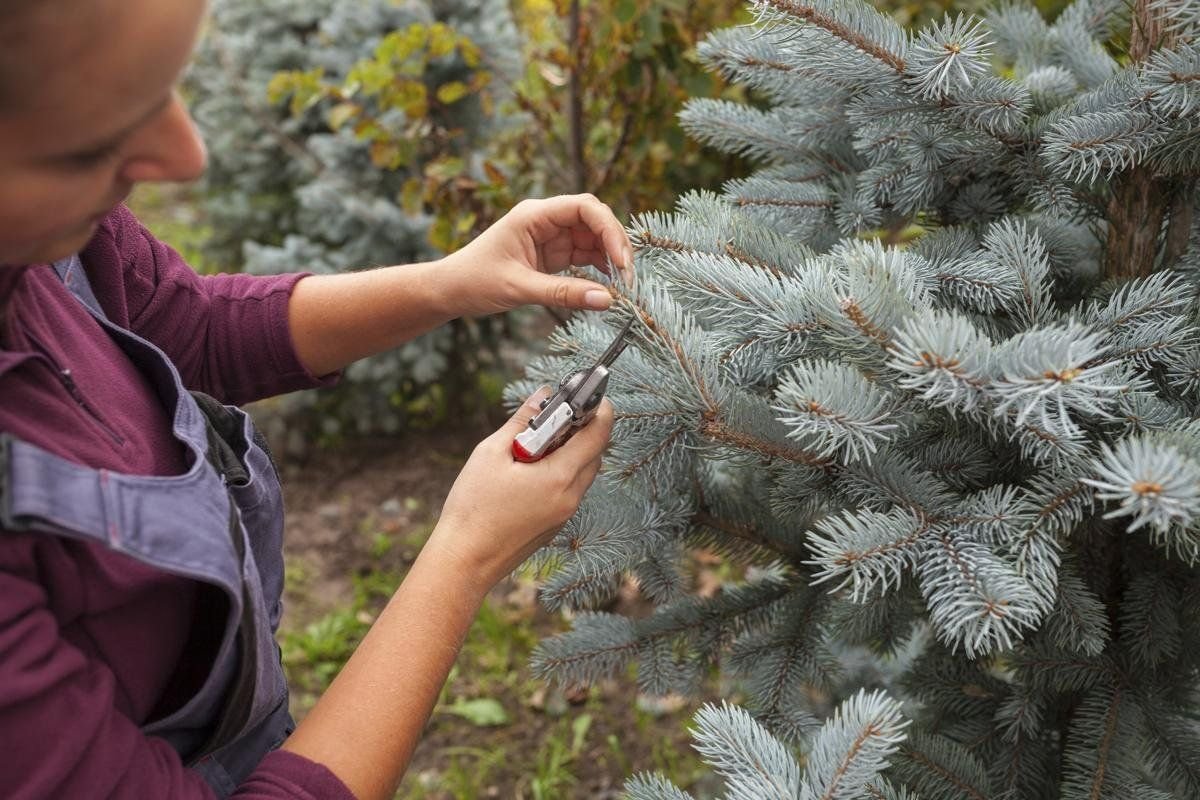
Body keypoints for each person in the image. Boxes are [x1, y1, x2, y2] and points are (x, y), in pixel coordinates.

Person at [0, 1, 633, 798]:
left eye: (167, 87)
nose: (186, 155)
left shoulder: (45, 238)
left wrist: (447, 283)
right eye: (98, 135)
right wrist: (466, 550)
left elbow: (181, 324)